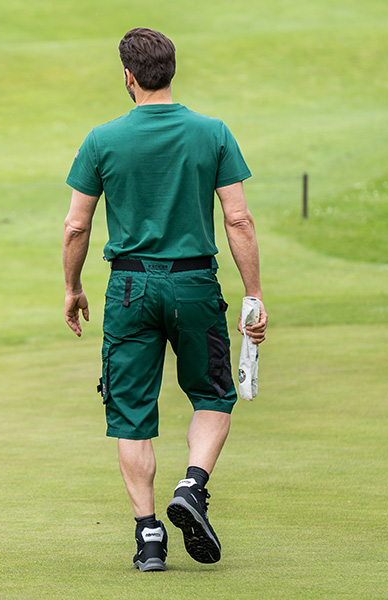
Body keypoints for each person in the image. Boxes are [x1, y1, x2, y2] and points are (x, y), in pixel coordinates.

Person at [62, 27, 267, 572]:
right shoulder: (213, 133)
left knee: (131, 412)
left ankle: (148, 536)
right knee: (212, 394)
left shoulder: (101, 140)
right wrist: (253, 295)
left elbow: (75, 227)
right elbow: (238, 218)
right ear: (170, 71)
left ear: (128, 76)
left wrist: (73, 286)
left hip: (129, 286)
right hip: (195, 283)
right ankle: (193, 487)